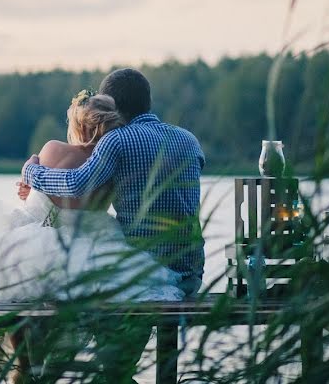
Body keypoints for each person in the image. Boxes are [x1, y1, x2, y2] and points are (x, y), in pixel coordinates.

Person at [21, 68, 205, 381]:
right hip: (190, 275)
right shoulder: (189, 140)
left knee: (95, 355)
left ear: (112, 107)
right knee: (112, 368)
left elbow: (77, 184)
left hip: (145, 277)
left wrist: (32, 172)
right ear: (147, 101)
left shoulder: (117, 140)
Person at [0, 90, 185, 303]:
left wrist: (30, 172)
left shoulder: (53, 149)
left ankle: (27, 362)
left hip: (37, 241)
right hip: (96, 245)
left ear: (80, 124)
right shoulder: (111, 165)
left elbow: (65, 186)